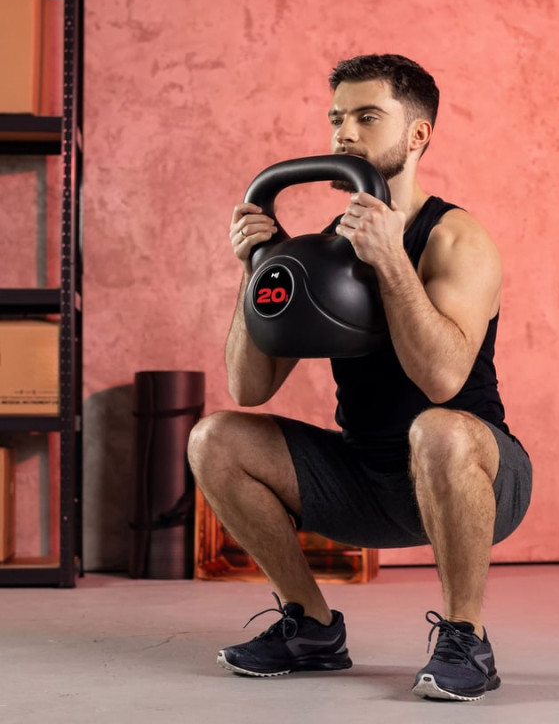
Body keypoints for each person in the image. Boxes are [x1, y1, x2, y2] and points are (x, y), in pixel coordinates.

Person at [188, 53, 532, 702]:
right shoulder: (321, 249)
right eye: (336, 119)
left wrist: (390, 261)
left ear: (418, 134)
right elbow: (249, 388)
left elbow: (442, 380)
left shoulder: (456, 239)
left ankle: (467, 638)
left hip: (476, 475)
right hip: (367, 482)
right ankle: (311, 629)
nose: (344, 134)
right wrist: (257, 266)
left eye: (367, 117)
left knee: (436, 430)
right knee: (214, 439)